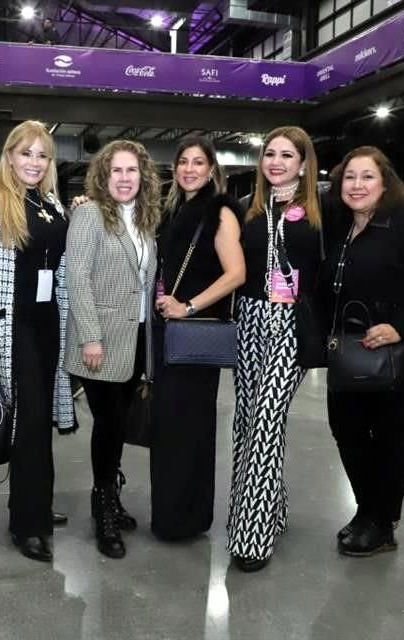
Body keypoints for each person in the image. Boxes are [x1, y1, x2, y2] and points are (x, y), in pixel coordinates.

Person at [319, 145, 404, 556]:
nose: (357, 185)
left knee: (390, 435)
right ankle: (367, 510)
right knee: (347, 430)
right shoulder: (342, 226)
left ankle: (383, 522)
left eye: (367, 177)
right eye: (349, 177)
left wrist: (400, 327)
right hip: (352, 350)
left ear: (385, 182)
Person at [0, 120, 74, 562]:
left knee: (41, 419)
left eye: (42, 155)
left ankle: (38, 504)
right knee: (28, 420)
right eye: (26, 153)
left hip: (49, 323)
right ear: (9, 155)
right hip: (11, 326)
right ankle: (25, 524)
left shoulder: (52, 204)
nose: (34, 162)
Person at [228, 126, 322, 573]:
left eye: (288, 155)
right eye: (270, 153)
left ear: (303, 163)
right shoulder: (250, 209)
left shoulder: (325, 210)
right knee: (249, 422)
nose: (277, 161)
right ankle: (272, 509)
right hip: (248, 319)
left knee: (268, 419)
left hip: (292, 326)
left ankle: (252, 538)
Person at [65, 140, 161, 559]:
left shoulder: (144, 219)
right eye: (116, 171)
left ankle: (109, 496)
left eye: (132, 171)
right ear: (103, 177)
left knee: (118, 424)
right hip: (100, 341)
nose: (124, 178)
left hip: (137, 338)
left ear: (143, 177)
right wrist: (90, 336)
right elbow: (77, 277)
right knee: (107, 425)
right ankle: (103, 507)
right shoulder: (88, 215)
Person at [151, 135, 245, 541]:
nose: (190, 169)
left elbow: (236, 273)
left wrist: (188, 305)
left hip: (195, 334)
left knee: (190, 429)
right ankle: (171, 516)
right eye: (183, 162)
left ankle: (186, 519)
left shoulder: (219, 212)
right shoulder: (173, 211)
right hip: (170, 332)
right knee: (170, 429)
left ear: (211, 170)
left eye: (198, 163)